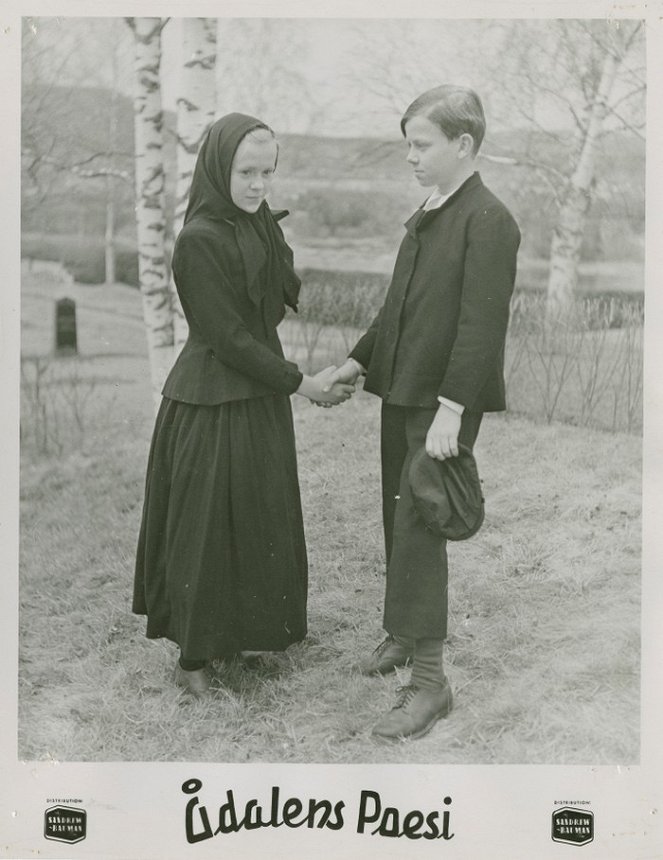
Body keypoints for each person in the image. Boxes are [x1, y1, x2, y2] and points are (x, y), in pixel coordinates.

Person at [133, 113, 354, 696]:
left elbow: (266, 316)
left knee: (259, 515)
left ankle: (249, 636)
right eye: (246, 172)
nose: (258, 185)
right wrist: (303, 382)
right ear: (217, 168)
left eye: (268, 172)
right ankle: (193, 661)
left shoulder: (259, 226)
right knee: (208, 527)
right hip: (211, 402)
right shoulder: (197, 241)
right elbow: (228, 339)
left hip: (257, 397)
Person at [326, 85, 521, 740]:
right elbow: (398, 307)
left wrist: (452, 409)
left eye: (421, 144)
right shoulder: (431, 209)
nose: (409, 156)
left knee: (420, 526)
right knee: (396, 512)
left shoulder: (488, 220)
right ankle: (403, 635)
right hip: (403, 389)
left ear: (461, 145)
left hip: (442, 402)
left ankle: (430, 684)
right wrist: (357, 361)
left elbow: (479, 327)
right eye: (407, 143)